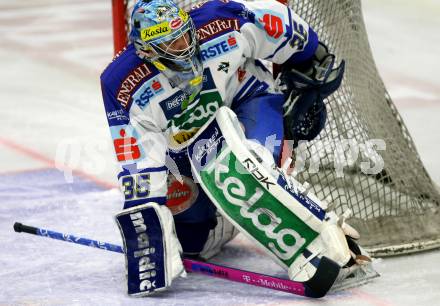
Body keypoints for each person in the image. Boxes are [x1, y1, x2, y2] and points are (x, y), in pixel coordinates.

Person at [100, 0, 356, 297]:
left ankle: (322, 236)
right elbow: (138, 162)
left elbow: (279, 23)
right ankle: (225, 217)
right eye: (172, 44)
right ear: (147, 52)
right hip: (184, 145)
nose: (185, 46)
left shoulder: (218, 21)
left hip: (246, 100)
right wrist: (147, 231)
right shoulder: (121, 83)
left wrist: (313, 56)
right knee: (191, 242)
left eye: (184, 34)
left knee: (243, 166)